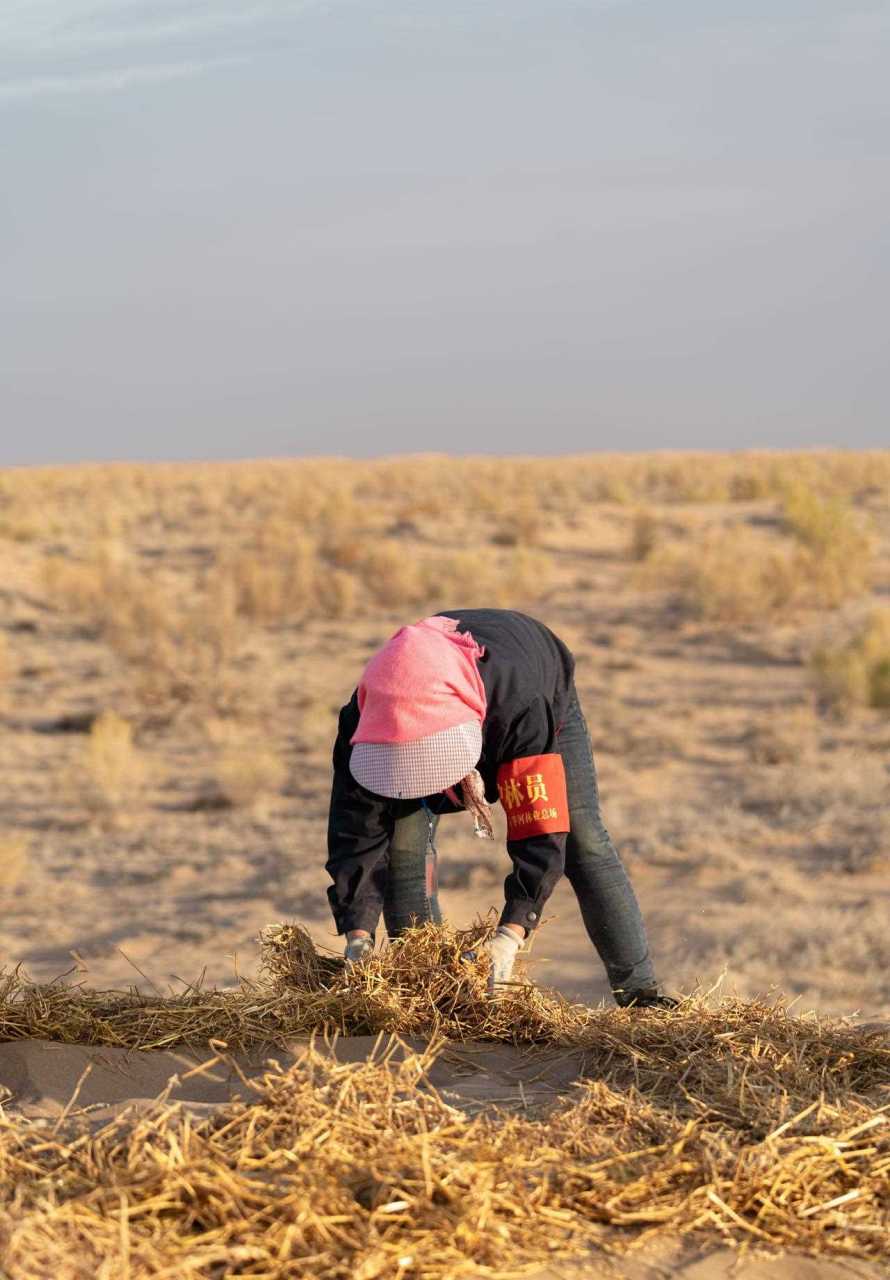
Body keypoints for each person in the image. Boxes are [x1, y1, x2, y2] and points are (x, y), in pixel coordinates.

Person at [325, 609, 675, 1006]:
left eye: (433, 773)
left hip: (526, 682)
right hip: (430, 700)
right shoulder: (363, 722)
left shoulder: (522, 704)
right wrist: (358, 934)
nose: (428, 785)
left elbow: (541, 831)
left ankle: (641, 997)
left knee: (583, 840)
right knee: (404, 848)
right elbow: (355, 833)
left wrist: (511, 932)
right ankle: (432, 999)